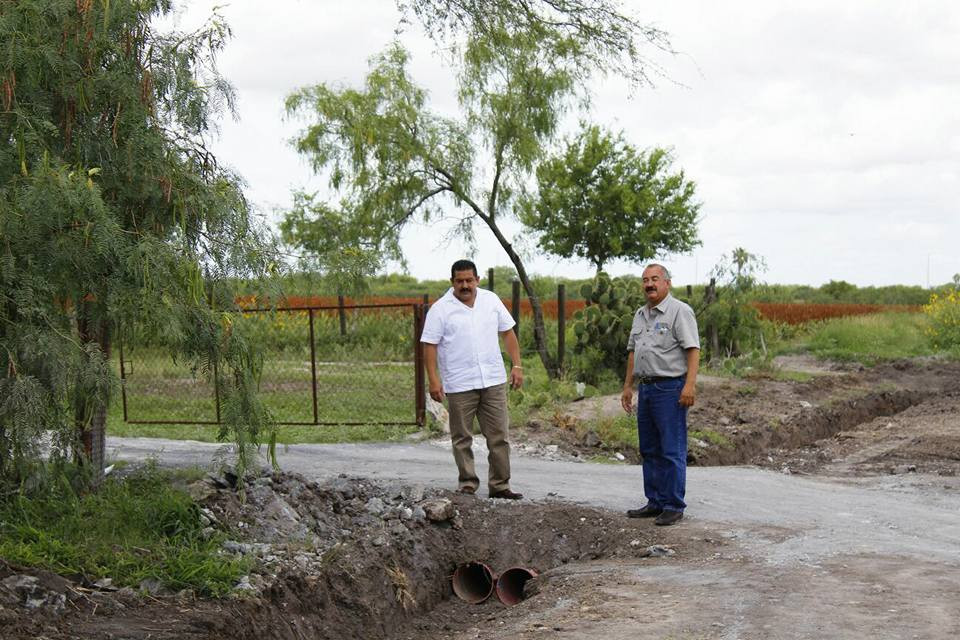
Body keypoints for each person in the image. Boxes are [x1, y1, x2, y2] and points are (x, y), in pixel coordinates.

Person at [421, 259, 524, 499]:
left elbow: (508, 333)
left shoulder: (491, 300)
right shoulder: (440, 309)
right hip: (460, 384)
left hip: (493, 380)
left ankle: (500, 486)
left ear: (477, 280)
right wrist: (434, 380)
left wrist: (517, 365)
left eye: (469, 280)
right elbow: (429, 345)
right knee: (462, 438)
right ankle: (467, 484)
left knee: (499, 436)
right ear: (452, 282)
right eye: (460, 281)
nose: (465, 285)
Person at [620, 263, 700, 526]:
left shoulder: (679, 311)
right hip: (646, 388)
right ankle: (654, 501)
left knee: (671, 448)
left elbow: (693, 349)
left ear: (667, 282)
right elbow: (633, 351)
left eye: (655, 279)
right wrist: (628, 386)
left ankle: (673, 505)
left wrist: (689, 385)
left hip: (670, 388)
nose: (649, 284)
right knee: (649, 448)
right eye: (645, 280)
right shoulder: (640, 314)